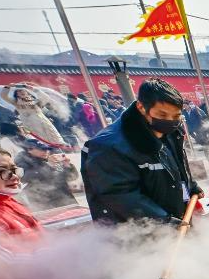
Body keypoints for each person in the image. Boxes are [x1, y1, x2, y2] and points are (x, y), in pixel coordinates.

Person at [81, 78, 202, 225]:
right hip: (135, 232)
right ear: (141, 107)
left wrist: (191, 185)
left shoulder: (171, 131)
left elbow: (177, 166)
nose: (170, 121)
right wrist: (163, 221)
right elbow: (119, 194)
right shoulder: (109, 146)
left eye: (176, 116)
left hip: (172, 220)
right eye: (162, 115)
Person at [0, 140, 43, 254]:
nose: (14, 176)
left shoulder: (9, 202)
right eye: (1, 171)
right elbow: (9, 261)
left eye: (13, 170)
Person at [14, 138, 78, 211]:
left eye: (47, 149)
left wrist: (67, 165)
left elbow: (71, 177)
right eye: (42, 149)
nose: (46, 151)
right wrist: (48, 165)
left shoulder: (50, 158)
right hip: (44, 202)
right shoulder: (21, 161)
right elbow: (26, 177)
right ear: (30, 149)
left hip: (65, 198)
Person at [0, 83, 64, 146]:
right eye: (18, 92)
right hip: (28, 122)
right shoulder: (15, 101)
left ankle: (56, 146)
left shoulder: (36, 101)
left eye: (23, 90)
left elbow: (46, 98)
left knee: (51, 134)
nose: (21, 92)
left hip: (41, 120)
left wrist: (33, 89)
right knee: (36, 138)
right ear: (17, 95)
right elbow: (4, 96)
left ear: (27, 92)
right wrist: (8, 87)